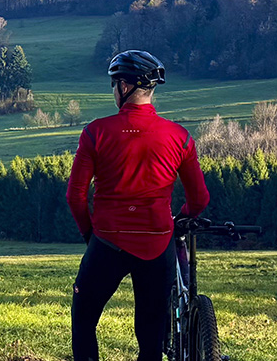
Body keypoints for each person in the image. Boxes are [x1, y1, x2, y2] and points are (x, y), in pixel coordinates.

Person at [66, 50, 210, 361]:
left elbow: (75, 195)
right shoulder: (180, 137)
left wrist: (90, 235)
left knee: (84, 318)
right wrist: (178, 219)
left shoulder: (95, 132)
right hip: (157, 242)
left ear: (124, 86)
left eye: (114, 84)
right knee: (151, 336)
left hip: (107, 240)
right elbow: (199, 199)